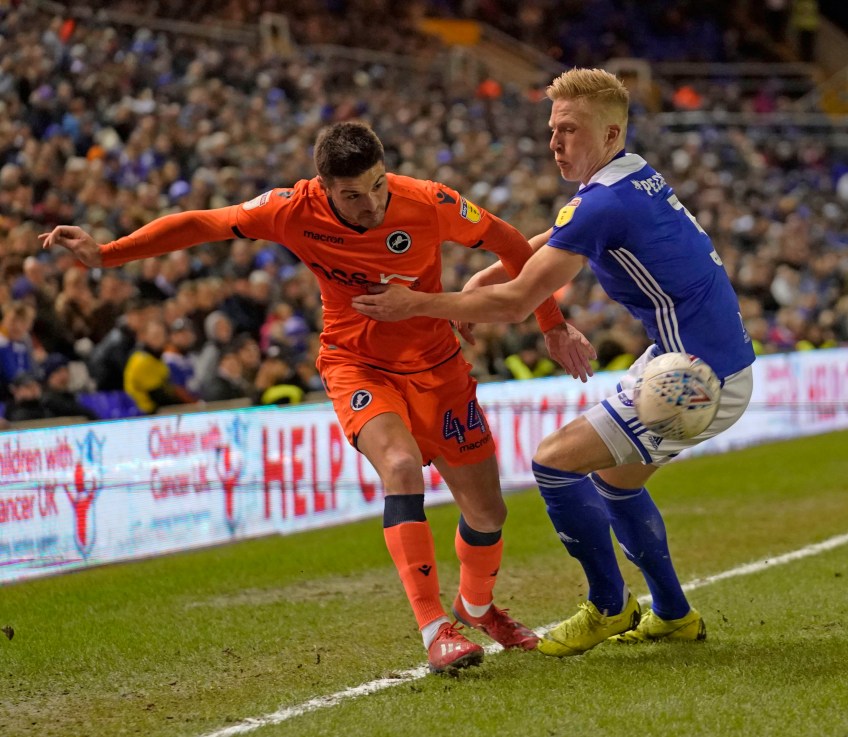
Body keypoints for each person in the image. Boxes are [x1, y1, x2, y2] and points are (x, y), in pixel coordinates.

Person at [39, 121, 577, 673]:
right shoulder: (292, 209)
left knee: (487, 513)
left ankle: (477, 607)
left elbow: (511, 243)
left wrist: (552, 325)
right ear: (324, 188)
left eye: (377, 186)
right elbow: (204, 222)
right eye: (352, 195)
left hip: (439, 369)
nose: (371, 204)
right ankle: (435, 627)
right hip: (357, 365)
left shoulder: (428, 201)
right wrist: (108, 253)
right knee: (399, 466)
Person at [353, 68, 756, 656]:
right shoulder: (631, 174)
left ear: (610, 133)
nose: (555, 142)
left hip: (695, 378)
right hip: (706, 359)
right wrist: (490, 270)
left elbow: (517, 304)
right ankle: (672, 614)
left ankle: (608, 606)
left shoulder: (604, 202)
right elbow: (565, 229)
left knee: (554, 462)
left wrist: (415, 303)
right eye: (552, 129)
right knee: (616, 482)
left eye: (570, 129)